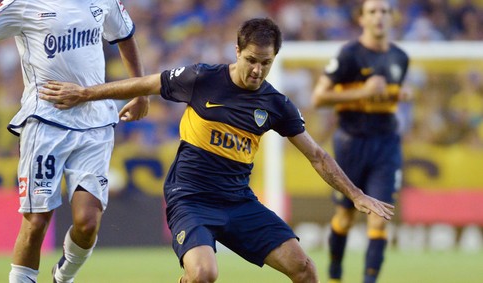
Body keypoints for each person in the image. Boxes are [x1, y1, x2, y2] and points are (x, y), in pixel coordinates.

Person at [38, 18, 394, 283]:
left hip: (239, 203)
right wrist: (85, 94)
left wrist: (356, 193)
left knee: (305, 270)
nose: (257, 70)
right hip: (190, 199)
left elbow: (317, 155)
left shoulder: (275, 104)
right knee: (205, 275)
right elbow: (148, 82)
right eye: (251, 59)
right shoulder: (201, 78)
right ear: (237, 51)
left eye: (266, 63)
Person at [0, 1, 149, 282]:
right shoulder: (22, 4)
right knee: (36, 222)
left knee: (87, 223)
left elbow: (125, 36)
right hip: (45, 122)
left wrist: (140, 91)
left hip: (95, 123)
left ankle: (63, 276)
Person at [311, 1, 410, 282]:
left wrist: (397, 95)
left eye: (385, 11)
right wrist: (362, 93)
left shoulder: (400, 58)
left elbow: (384, 95)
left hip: (386, 145)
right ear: (361, 19)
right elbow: (319, 98)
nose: (379, 17)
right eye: (373, 12)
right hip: (351, 143)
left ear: (392, 18)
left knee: (379, 218)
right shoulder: (348, 55)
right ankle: (334, 275)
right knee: (344, 218)